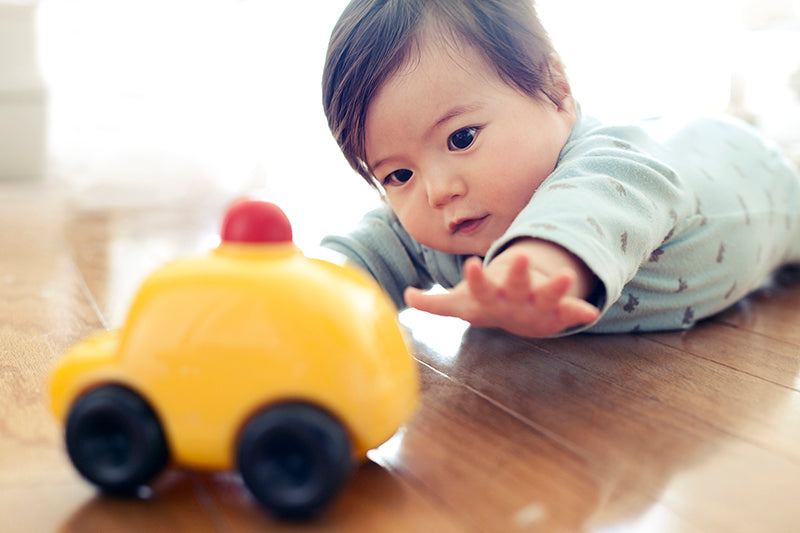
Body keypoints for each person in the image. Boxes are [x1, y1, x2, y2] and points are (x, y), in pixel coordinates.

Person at [319, 0, 800, 338]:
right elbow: (359, 256)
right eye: (397, 175)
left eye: (461, 138)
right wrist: (305, 292)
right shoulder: (440, 223)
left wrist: (522, 276)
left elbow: (579, 213)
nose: (437, 191)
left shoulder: (612, 171)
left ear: (554, 87)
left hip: (751, 175)